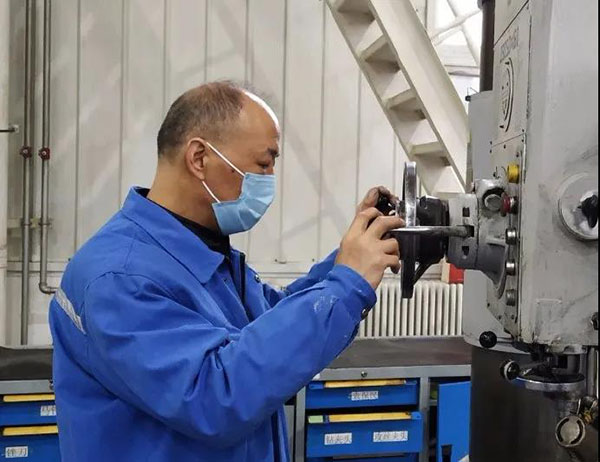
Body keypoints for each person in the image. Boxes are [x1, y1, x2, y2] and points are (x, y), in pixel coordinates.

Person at [49, 81, 404, 462]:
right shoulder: (120, 278)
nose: (269, 179)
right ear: (199, 158)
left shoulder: (200, 252)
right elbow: (215, 396)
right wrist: (345, 285)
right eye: (263, 164)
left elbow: (270, 324)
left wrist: (352, 256)